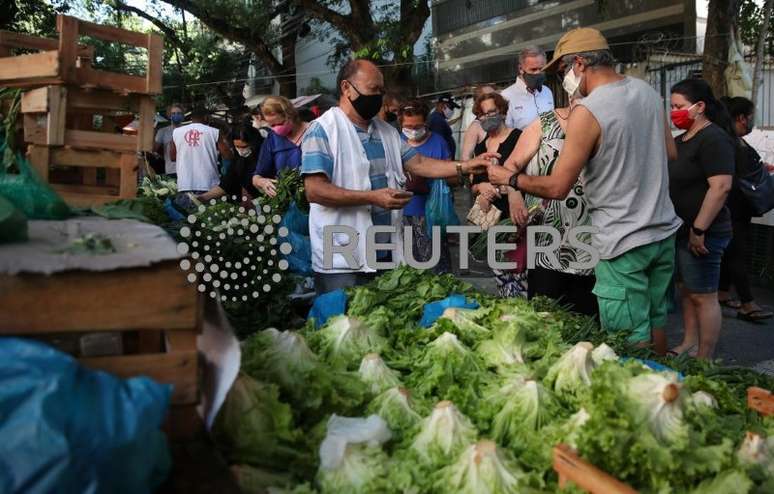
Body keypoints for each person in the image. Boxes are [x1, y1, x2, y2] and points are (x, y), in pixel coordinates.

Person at [488, 28, 681, 355]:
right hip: (663, 235)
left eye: (563, 70)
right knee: (656, 321)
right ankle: (665, 388)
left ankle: (638, 400)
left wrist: (511, 179)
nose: (563, 78)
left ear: (579, 63)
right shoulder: (646, 91)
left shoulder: (588, 110)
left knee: (628, 341)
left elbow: (558, 186)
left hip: (623, 243)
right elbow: (669, 153)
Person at [301, 58, 491, 294]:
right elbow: (315, 190)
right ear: (346, 88)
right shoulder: (322, 131)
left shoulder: (387, 132)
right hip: (342, 255)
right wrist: (372, 197)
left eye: (381, 91)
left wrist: (466, 166)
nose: (379, 98)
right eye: (373, 90)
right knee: (343, 321)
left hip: (384, 251)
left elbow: (420, 163)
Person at [502, 94, 597, 317]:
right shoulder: (545, 123)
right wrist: (515, 198)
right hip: (547, 233)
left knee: (587, 312)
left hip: (590, 235)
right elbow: (511, 165)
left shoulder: (603, 124)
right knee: (546, 309)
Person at [667, 79, 735, 359]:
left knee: (704, 295)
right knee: (688, 292)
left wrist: (699, 228)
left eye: (679, 106)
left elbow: (720, 187)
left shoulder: (713, 139)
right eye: (671, 107)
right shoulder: (680, 140)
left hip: (704, 232)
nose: (674, 112)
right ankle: (689, 343)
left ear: (700, 107)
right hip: (683, 231)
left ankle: (705, 356)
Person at [717, 97, 773, 322]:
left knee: (729, 252)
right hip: (734, 208)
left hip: (733, 207)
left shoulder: (728, 140)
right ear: (741, 118)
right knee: (736, 252)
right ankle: (748, 303)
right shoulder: (730, 143)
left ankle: (722, 293)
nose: (752, 121)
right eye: (751, 116)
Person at [470, 92, 523, 297]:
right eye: (481, 115)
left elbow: (526, 176)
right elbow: (474, 183)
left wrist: (505, 188)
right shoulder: (480, 147)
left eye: (491, 112)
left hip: (515, 215)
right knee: (499, 270)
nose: (486, 118)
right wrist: (481, 189)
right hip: (491, 219)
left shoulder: (519, 138)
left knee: (519, 266)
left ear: (501, 111)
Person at [399, 99, 453, 270]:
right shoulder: (394, 142)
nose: (413, 131)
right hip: (402, 214)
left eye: (418, 126)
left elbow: (452, 176)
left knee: (437, 266)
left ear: (426, 123)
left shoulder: (438, 142)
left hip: (433, 215)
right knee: (409, 267)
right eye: (409, 127)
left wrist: (434, 177)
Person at [171, 107, 233, 210]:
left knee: (187, 220)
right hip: (209, 185)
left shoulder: (176, 132)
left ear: (191, 118)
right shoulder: (214, 132)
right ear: (206, 117)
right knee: (209, 218)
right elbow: (227, 155)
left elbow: (173, 157)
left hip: (184, 185)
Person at [252, 96, 309, 198]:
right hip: (288, 201)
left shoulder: (313, 132)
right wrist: (262, 182)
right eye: (272, 126)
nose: (277, 129)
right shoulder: (272, 139)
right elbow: (257, 176)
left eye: (280, 123)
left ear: (290, 115)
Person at [198, 122, 261, 203]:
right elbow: (227, 183)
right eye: (237, 147)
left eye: (244, 147)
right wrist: (203, 198)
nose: (241, 151)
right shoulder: (239, 160)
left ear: (253, 143)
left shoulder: (263, 157)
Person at [500, 46, 555, 131]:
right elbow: (506, 134)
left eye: (541, 69)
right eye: (533, 69)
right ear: (521, 69)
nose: (538, 73)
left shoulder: (547, 92)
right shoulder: (506, 96)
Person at [461, 85, 496, 160]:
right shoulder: (475, 127)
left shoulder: (500, 118)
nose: (496, 99)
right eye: (490, 96)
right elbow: (465, 160)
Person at [154, 104, 185, 177]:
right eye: (173, 113)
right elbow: (154, 148)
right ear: (169, 115)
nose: (176, 115)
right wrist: (153, 130)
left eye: (179, 113)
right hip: (171, 170)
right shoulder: (163, 131)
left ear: (183, 116)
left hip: (186, 170)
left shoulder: (188, 131)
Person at [428, 94, 459, 158]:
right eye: (451, 107)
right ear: (442, 105)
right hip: (444, 161)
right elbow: (438, 144)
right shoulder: (436, 120)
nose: (452, 111)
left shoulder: (439, 118)